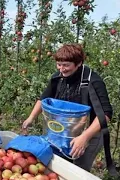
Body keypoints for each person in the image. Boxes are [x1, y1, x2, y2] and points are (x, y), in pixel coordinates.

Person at [22, 44, 113, 172]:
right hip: (63, 131)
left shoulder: (93, 81)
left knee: (76, 170)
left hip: (90, 133)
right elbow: (43, 99)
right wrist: (30, 118)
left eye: (66, 65)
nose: (62, 69)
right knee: (58, 166)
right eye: (59, 64)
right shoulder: (57, 78)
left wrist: (84, 137)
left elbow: (105, 114)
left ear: (79, 63)